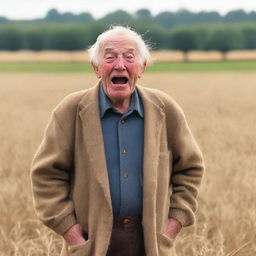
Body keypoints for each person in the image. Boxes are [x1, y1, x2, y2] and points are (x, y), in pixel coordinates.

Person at [31, 26, 204, 256]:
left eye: (129, 57)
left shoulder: (165, 110)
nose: (120, 65)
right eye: (110, 57)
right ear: (97, 68)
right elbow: (46, 176)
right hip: (91, 244)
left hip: (150, 244)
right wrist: (72, 233)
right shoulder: (70, 111)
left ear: (141, 68)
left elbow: (190, 169)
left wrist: (172, 226)